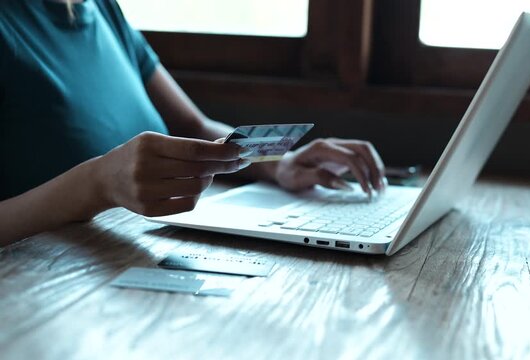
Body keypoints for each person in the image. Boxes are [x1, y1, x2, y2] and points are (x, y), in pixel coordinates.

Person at [0, 0, 387, 246]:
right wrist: (97, 182)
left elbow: (195, 128)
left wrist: (278, 162)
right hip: (46, 291)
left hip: (133, 257)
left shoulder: (102, 9)